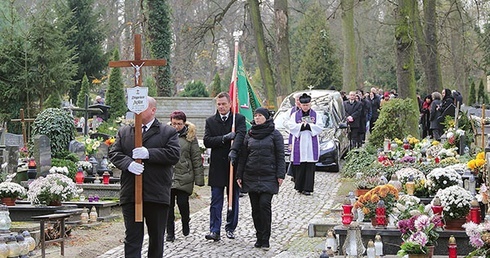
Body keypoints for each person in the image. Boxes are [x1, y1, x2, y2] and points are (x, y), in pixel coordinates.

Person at [108, 96, 180, 258]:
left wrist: (149, 153)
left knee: (156, 238)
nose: (136, 110)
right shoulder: (125, 131)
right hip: (131, 193)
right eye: (135, 106)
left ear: (153, 110)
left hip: (156, 193)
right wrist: (128, 163)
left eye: (141, 106)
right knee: (132, 238)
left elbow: (174, 154)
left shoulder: (167, 132)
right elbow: (114, 153)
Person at [236, 107, 285, 250]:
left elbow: (280, 155)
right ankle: (258, 235)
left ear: (266, 117)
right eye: (255, 115)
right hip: (251, 175)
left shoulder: (275, 135)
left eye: (260, 116)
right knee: (255, 209)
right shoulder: (249, 134)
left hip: (268, 176)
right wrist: (239, 174)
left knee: (264, 205)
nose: (257, 118)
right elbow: (243, 156)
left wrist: (280, 174)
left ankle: (266, 238)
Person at [203, 92, 246, 241]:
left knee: (232, 199)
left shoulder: (238, 119)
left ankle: (230, 227)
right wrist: (224, 138)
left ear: (230, 104)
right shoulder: (210, 121)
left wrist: (234, 150)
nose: (221, 107)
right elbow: (207, 140)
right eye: (219, 104)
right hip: (217, 167)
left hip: (233, 164)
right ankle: (214, 230)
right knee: (216, 200)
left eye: (224, 104)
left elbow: (241, 135)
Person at [166, 110, 205, 242]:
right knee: (168, 206)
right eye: (173, 124)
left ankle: (185, 221)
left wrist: (199, 179)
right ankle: (170, 233)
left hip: (185, 175)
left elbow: (195, 158)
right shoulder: (165, 134)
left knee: (182, 203)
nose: (176, 126)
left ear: (184, 123)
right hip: (169, 175)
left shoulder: (190, 137)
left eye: (179, 124)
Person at [288, 93, 322, 195]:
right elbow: (291, 126)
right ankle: (299, 186)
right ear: (300, 105)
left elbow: (320, 126)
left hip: (311, 142)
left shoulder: (316, 115)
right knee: (300, 165)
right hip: (300, 141)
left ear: (310, 104)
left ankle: (308, 188)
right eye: (303, 105)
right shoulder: (295, 115)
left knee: (309, 165)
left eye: (307, 105)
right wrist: (301, 127)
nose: (305, 107)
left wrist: (309, 126)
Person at [287, 92, 302, 181]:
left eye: (299, 100)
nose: (298, 102)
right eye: (296, 100)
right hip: (293, 135)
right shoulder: (292, 111)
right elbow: (288, 123)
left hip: (303, 135)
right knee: (293, 154)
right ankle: (293, 173)